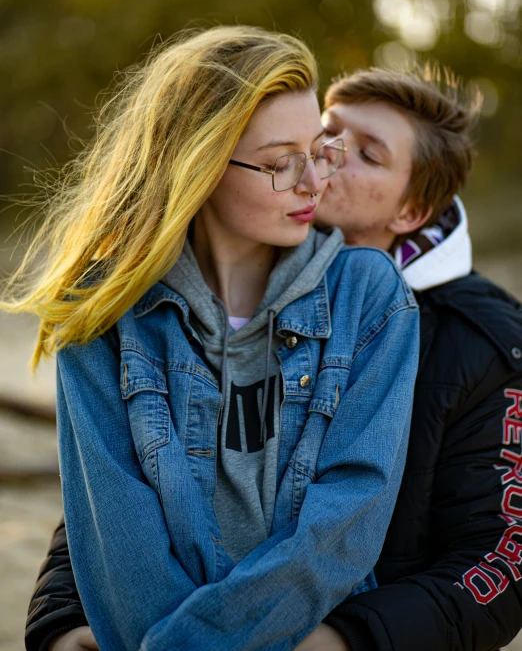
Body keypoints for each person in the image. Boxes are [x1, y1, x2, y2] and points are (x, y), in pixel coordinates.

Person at [26, 61, 522, 651]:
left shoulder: (481, 342)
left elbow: (499, 558)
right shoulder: (185, 292)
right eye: (328, 132)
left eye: (367, 153)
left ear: (410, 212)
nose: (329, 160)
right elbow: (120, 490)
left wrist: (348, 638)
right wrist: (63, 619)